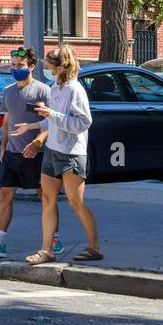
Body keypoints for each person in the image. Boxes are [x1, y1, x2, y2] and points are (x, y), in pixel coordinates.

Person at [14, 45, 102, 265]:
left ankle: (94, 247)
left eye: (51, 63)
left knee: (75, 202)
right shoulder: (55, 88)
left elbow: (83, 122)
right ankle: (46, 250)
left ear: (62, 66)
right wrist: (32, 125)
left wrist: (51, 113)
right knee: (46, 199)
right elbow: (52, 120)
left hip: (71, 153)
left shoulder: (75, 89)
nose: (47, 66)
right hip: (53, 151)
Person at [0, 47, 61, 258]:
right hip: (13, 153)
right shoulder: (9, 91)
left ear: (31, 66)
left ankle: (54, 240)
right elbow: (7, 120)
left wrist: (38, 143)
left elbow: (53, 123)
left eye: (20, 66)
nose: (15, 69)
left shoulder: (43, 91)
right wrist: (3, 147)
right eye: (13, 65)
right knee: (5, 195)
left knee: (45, 197)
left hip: (38, 154)